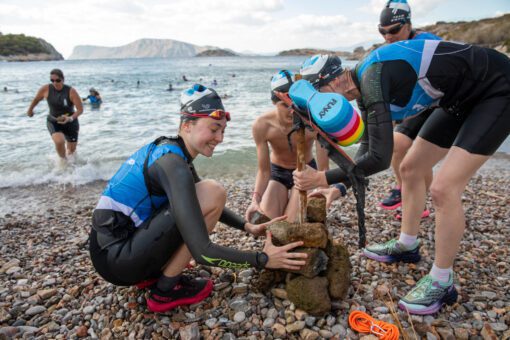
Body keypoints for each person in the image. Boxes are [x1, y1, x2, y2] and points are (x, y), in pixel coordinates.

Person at [294, 43, 510, 315]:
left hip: (496, 86)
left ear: (335, 80)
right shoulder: (362, 90)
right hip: (458, 97)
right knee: (409, 169)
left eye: (317, 94)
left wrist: (321, 178)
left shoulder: (374, 77)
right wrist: (338, 187)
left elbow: (380, 160)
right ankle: (407, 245)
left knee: (443, 188)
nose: (319, 105)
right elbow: (368, 147)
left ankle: (443, 282)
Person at [89, 84, 308, 313]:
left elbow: (194, 206)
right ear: (187, 125)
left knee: (204, 193)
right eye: (214, 129)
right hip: (118, 261)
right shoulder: (174, 166)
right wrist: (263, 259)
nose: (220, 138)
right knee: (213, 191)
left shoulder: (171, 152)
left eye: (223, 130)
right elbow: (203, 252)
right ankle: (164, 292)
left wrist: (247, 227)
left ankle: (154, 273)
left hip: (114, 252)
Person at [377, 0, 441, 215]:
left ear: (408, 24)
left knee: (421, 157)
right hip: (412, 106)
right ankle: (403, 188)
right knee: (398, 146)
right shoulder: (390, 48)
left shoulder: (428, 41)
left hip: (437, 104)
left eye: (393, 30)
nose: (388, 37)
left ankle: (417, 201)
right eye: (382, 32)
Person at [245, 70, 334, 223]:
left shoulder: (313, 123)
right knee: (268, 224)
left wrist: (322, 190)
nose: (291, 109)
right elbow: (264, 170)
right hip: (277, 172)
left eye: (294, 103)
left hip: (305, 171)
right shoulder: (262, 125)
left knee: (291, 224)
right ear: (273, 102)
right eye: (283, 104)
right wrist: (255, 200)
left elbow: (323, 168)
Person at [26, 69, 83, 160]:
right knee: (59, 141)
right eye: (52, 80)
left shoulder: (71, 91)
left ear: (63, 79)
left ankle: (71, 168)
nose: (55, 83)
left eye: (57, 80)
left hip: (70, 121)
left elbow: (80, 110)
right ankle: (63, 162)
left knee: (71, 151)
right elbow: (36, 99)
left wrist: (70, 118)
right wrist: (30, 110)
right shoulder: (45, 89)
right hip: (54, 120)